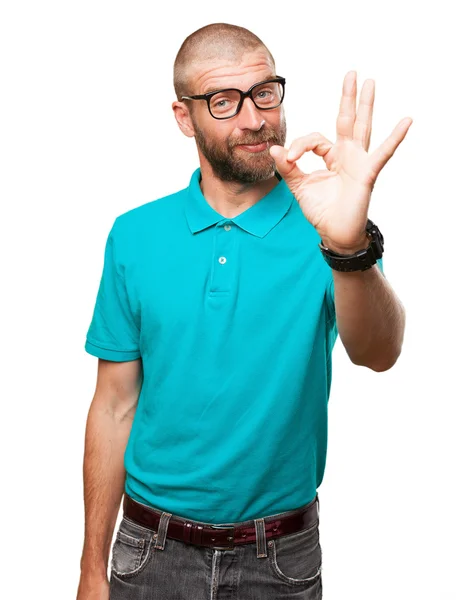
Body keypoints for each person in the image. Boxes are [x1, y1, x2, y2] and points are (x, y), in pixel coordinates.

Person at [77, 22, 410, 600]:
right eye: (224, 102)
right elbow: (113, 406)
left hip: (279, 559)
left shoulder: (328, 226)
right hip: (149, 552)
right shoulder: (134, 235)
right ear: (185, 118)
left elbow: (379, 355)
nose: (255, 119)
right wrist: (90, 567)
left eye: (265, 92)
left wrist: (349, 249)